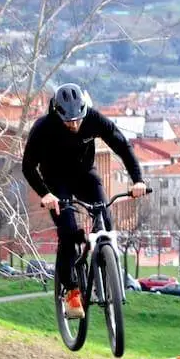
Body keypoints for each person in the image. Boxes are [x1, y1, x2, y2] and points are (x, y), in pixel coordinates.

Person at [21, 83, 147, 319]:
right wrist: (44, 193)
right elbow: (27, 166)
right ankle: (70, 289)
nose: (75, 125)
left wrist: (137, 179)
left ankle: (106, 267)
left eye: (78, 119)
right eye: (69, 121)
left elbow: (122, 145)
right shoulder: (43, 128)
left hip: (84, 177)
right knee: (67, 230)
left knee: (105, 219)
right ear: (57, 113)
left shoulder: (93, 118)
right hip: (56, 183)